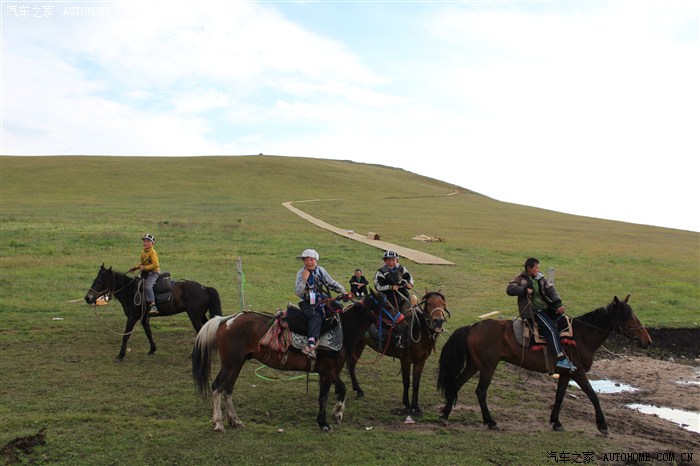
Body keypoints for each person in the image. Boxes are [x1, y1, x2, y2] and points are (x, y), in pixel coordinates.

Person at [506, 258, 576, 372]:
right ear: (529, 268)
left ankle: (567, 350)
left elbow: (551, 291)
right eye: (536, 267)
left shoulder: (541, 278)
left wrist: (558, 304)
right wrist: (524, 290)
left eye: (539, 267)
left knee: (563, 320)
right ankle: (560, 358)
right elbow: (510, 289)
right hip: (532, 311)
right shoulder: (520, 278)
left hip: (546, 308)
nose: (538, 269)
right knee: (550, 329)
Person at [295, 249, 349, 358]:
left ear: (316, 260)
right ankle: (311, 342)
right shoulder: (301, 273)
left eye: (311, 260)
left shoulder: (321, 271)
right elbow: (298, 292)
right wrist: (304, 280)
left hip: (322, 300)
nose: (309, 262)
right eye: (306, 260)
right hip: (307, 302)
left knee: (338, 309)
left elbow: (330, 283)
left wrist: (343, 291)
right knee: (315, 316)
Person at [372, 250, 413, 349]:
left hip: (403, 295)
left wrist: (410, 284)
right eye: (389, 260)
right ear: (385, 261)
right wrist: (390, 287)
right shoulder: (381, 272)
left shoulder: (401, 268)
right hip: (389, 298)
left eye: (393, 260)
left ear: (396, 260)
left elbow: (410, 277)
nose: (391, 262)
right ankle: (397, 337)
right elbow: (378, 286)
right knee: (395, 316)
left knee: (413, 309)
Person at [129, 233, 160, 316]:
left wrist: (144, 268)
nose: (146, 243)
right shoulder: (144, 251)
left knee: (148, 286)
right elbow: (142, 263)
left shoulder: (152, 252)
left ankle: (153, 306)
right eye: (145, 241)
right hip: (146, 272)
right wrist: (135, 268)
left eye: (148, 241)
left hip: (153, 273)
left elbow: (155, 264)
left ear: (152, 243)